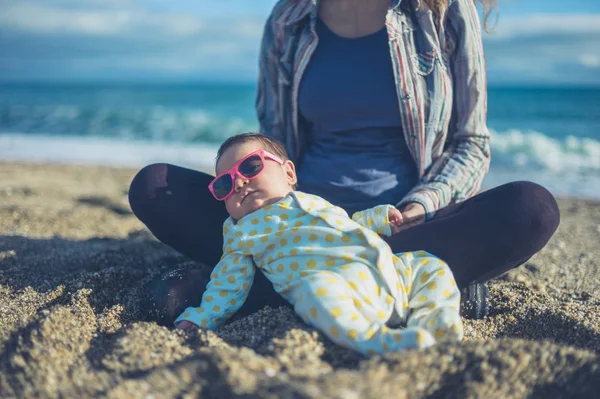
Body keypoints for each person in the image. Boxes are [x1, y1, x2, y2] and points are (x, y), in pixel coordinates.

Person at [128, 0, 560, 324]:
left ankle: (257, 290)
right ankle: (410, 284)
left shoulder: (441, 11)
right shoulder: (288, 22)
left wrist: (420, 206)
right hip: (297, 230)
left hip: (407, 226)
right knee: (154, 186)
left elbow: (471, 143)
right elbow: (275, 148)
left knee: (531, 207)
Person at [175, 133, 463, 356]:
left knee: (427, 265)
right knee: (317, 291)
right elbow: (227, 283)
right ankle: (373, 339)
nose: (238, 183)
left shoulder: (312, 202)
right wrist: (202, 316)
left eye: (251, 167)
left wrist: (378, 218)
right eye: (224, 185)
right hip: (334, 283)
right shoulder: (242, 231)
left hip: (388, 272)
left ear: (289, 173)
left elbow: (345, 222)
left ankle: (438, 331)